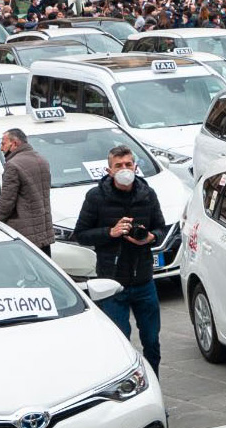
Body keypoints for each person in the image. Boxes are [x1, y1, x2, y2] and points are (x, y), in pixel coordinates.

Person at [74, 146, 166, 378]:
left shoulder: (148, 194)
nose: (125, 169)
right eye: (119, 166)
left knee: (152, 342)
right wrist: (110, 232)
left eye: (128, 164)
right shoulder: (96, 197)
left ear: (135, 167)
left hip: (144, 279)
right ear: (109, 170)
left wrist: (149, 237)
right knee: (120, 342)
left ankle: (153, 382)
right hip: (112, 283)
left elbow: (161, 229)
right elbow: (81, 234)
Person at [0, 128, 55, 255]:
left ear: (15, 144)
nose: (1, 148)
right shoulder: (42, 160)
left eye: (3, 144)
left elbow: (7, 202)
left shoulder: (13, 165)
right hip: (43, 232)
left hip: (24, 233)